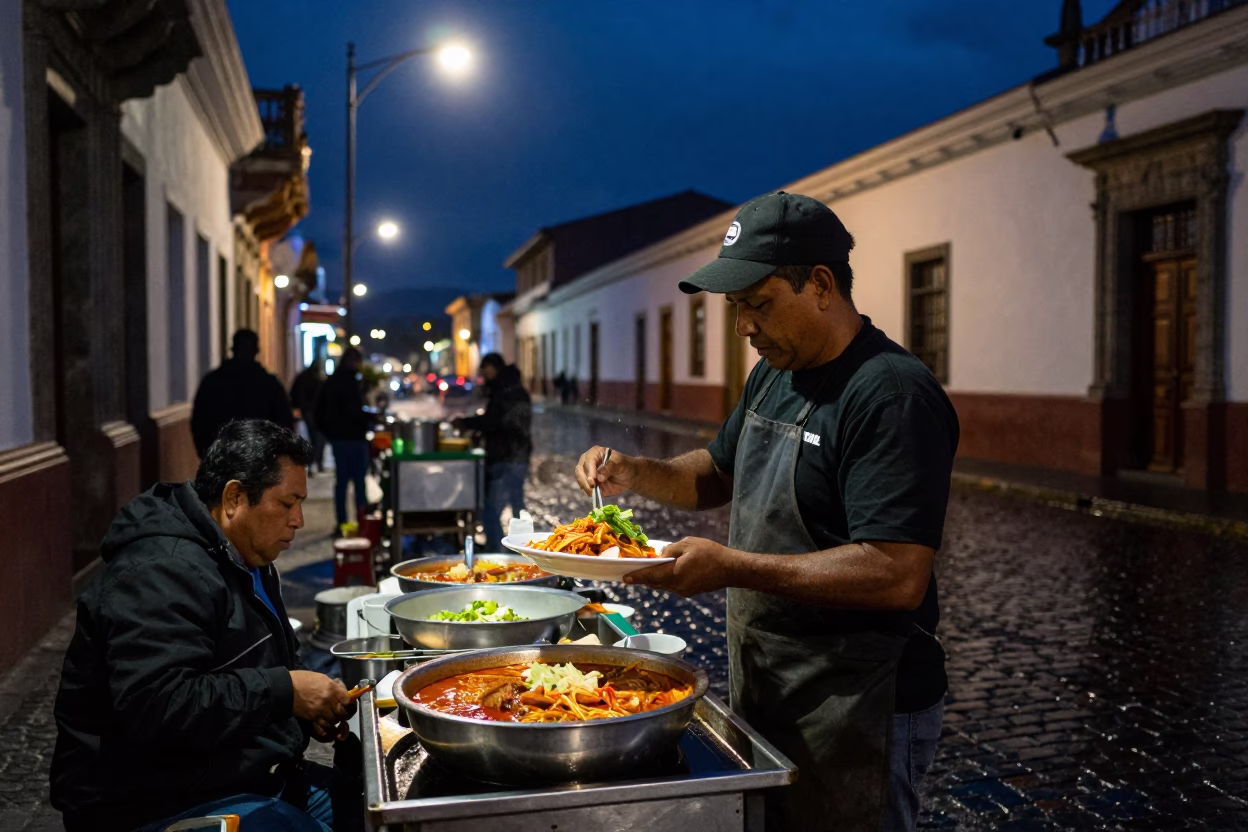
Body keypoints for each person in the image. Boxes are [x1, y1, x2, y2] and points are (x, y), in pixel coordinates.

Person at [575, 192, 959, 832]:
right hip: (771, 682)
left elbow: (896, 573)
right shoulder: (775, 372)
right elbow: (718, 472)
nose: (743, 328)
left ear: (821, 285)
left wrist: (730, 566)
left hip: (862, 699)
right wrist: (635, 471)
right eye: (734, 308)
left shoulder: (890, 394)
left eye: (758, 303)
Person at [50, 420, 362, 832]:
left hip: (236, 771)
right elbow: (158, 705)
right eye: (287, 504)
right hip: (145, 802)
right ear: (234, 497)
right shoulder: (161, 572)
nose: (299, 520)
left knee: (363, 806)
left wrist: (305, 712)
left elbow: (252, 668)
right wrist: (285, 693)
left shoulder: (247, 556)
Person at [452, 353, 532, 552]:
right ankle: (525, 551)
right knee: (516, 506)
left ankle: (496, 552)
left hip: (506, 457)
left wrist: (466, 423)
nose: (484, 374)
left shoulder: (504, 390)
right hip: (518, 456)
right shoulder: (513, 388)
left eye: (486, 369)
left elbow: (493, 422)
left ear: (494, 368)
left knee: (491, 510)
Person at [191, 329, 294, 458]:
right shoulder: (268, 383)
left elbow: (200, 421)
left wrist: (206, 454)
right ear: (256, 351)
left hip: (223, 457)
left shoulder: (213, 382)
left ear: (233, 349)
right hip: (259, 459)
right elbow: (283, 421)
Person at [315, 346, 371, 534]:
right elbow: (354, 411)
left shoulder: (332, 381)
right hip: (353, 438)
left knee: (342, 483)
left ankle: (342, 524)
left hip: (340, 439)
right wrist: (367, 420)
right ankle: (362, 524)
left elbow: (319, 412)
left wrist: (331, 433)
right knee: (359, 484)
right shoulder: (351, 382)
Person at [291, 356, 327, 474]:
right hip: (312, 411)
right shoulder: (316, 378)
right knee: (317, 437)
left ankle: (314, 463)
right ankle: (315, 462)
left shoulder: (305, 377)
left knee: (315, 437)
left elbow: (295, 392)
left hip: (309, 410)